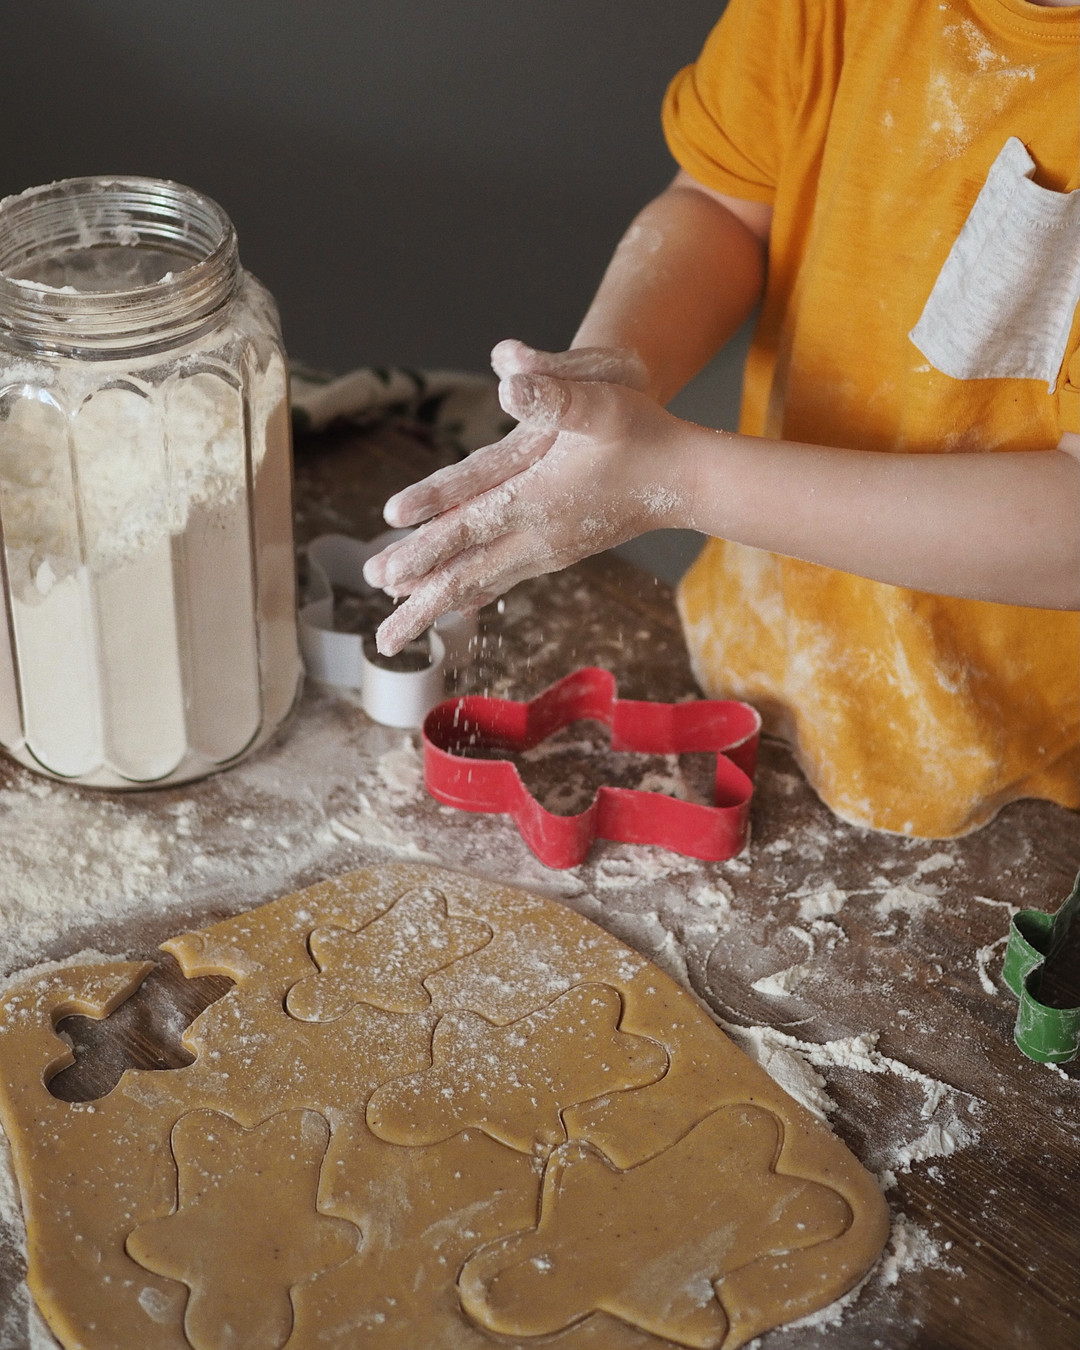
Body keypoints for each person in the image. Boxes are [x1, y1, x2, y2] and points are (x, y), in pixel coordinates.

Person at [364, 0, 1080, 838]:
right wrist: (619, 372)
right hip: (764, 657)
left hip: (1027, 769)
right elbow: (723, 204)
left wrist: (680, 478)